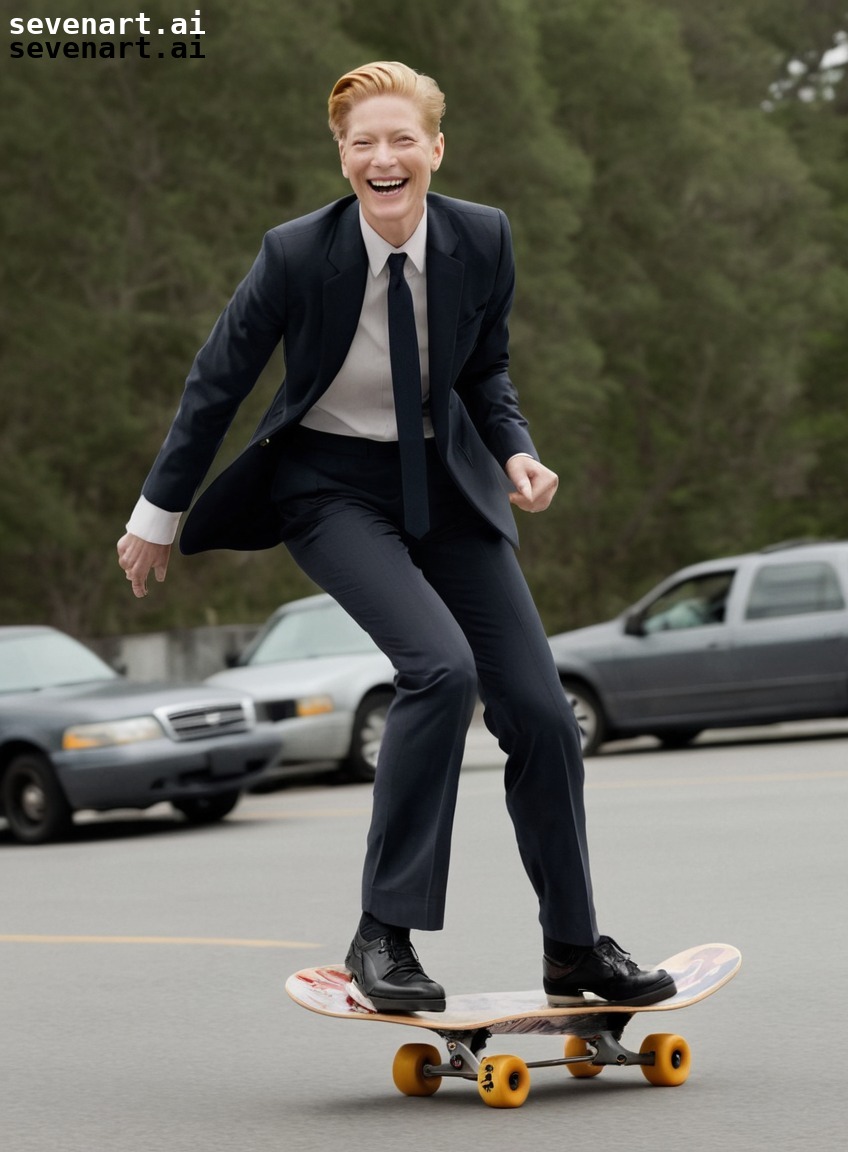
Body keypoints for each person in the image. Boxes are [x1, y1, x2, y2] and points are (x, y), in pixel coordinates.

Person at [117, 61, 675, 1012]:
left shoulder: (483, 238)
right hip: (332, 490)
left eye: (402, 140)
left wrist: (517, 454)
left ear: (435, 151)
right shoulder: (296, 255)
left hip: (450, 487)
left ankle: (575, 949)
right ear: (342, 157)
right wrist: (156, 518)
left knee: (540, 710)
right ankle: (384, 938)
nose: (384, 158)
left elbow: (484, 371)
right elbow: (217, 381)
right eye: (363, 143)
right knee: (438, 668)